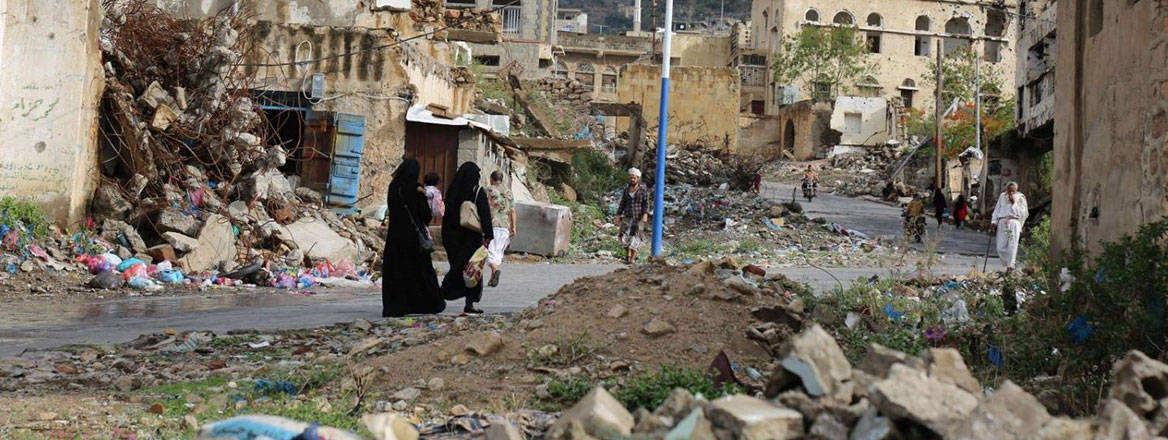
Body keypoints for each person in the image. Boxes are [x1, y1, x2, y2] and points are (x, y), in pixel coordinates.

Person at [381, 159, 445, 317]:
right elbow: (425, 215)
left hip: (395, 236)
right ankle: (424, 304)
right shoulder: (416, 189)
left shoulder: (393, 186)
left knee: (396, 271)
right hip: (413, 237)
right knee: (420, 271)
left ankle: (396, 306)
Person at [441, 162, 494, 315]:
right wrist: (489, 235)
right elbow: (484, 215)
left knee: (457, 267)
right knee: (471, 269)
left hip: (452, 237)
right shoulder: (477, 191)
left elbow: (447, 216)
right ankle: (469, 303)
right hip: (471, 237)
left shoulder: (452, 190)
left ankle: (443, 293)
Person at [485, 170, 515, 288]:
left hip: (492, 225)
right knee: (497, 253)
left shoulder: (489, 190)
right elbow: (512, 211)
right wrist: (513, 226)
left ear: (492, 179)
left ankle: (495, 270)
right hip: (505, 227)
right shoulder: (509, 192)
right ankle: (493, 278)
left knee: (488, 251)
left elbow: (485, 208)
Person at [992, 182, 1029, 272]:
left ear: (1016, 190)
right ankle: (1009, 262)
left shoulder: (1020, 198)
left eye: (1013, 191)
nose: (1011, 193)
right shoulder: (1002, 196)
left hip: (1014, 221)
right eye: (1009, 191)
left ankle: (1010, 266)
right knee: (1000, 247)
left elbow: (1023, 213)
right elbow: (997, 209)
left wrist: (1014, 203)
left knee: (1012, 245)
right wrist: (994, 221)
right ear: (1007, 190)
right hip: (1002, 221)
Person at [616, 167, 650, 264]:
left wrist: (645, 214)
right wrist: (618, 214)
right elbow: (622, 203)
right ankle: (627, 256)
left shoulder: (643, 190)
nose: (632, 179)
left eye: (634, 178)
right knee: (623, 236)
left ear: (638, 178)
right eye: (631, 177)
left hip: (638, 217)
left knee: (636, 237)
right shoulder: (626, 190)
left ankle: (632, 259)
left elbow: (646, 203)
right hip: (627, 216)